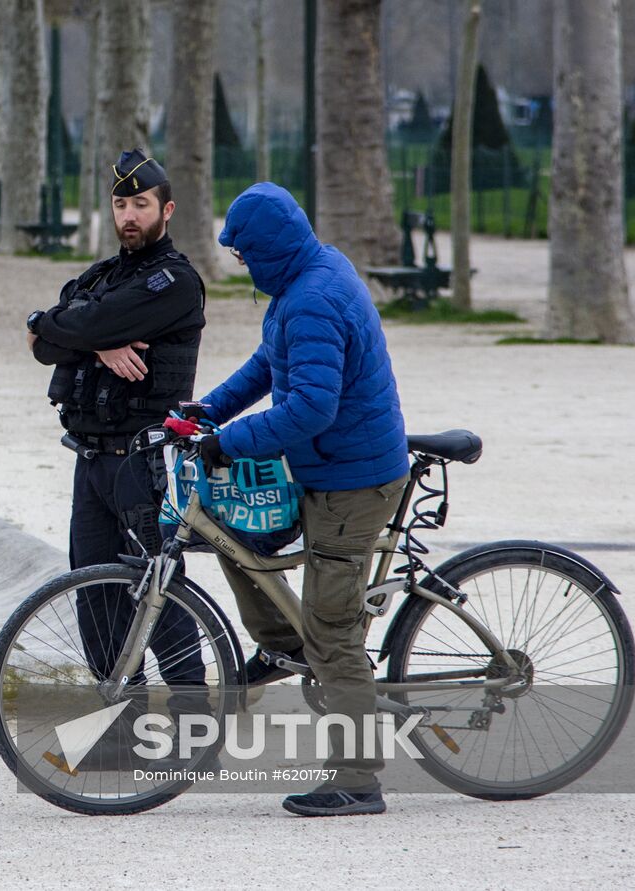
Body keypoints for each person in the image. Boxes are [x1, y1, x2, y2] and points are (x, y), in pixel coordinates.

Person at [195, 182, 409, 817]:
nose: (239, 264)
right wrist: (208, 411)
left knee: (333, 627)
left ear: (266, 250)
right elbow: (269, 362)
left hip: (353, 479)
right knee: (238, 535)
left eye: (243, 254)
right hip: (328, 467)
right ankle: (285, 647)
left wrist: (227, 444)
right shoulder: (309, 272)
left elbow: (311, 408)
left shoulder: (312, 297)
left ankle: (358, 779)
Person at [25, 149, 208, 696]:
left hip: (140, 461)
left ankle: (195, 718)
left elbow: (71, 327)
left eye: (142, 204)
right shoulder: (102, 275)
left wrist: (66, 331)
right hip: (88, 459)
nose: (129, 215)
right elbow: (44, 343)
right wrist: (93, 343)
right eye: (121, 203)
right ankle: (122, 718)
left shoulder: (174, 282)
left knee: (158, 591)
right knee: (94, 596)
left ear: (167, 209)